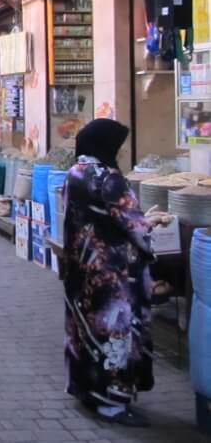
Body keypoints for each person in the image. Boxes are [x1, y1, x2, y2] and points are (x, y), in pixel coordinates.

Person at [63, 118, 161, 428]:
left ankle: (86, 388)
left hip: (81, 267)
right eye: (119, 144)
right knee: (113, 335)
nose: (122, 150)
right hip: (111, 273)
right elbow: (132, 224)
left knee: (84, 332)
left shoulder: (75, 173)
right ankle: (111, 404)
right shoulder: (109, 179)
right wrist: (153, 224)